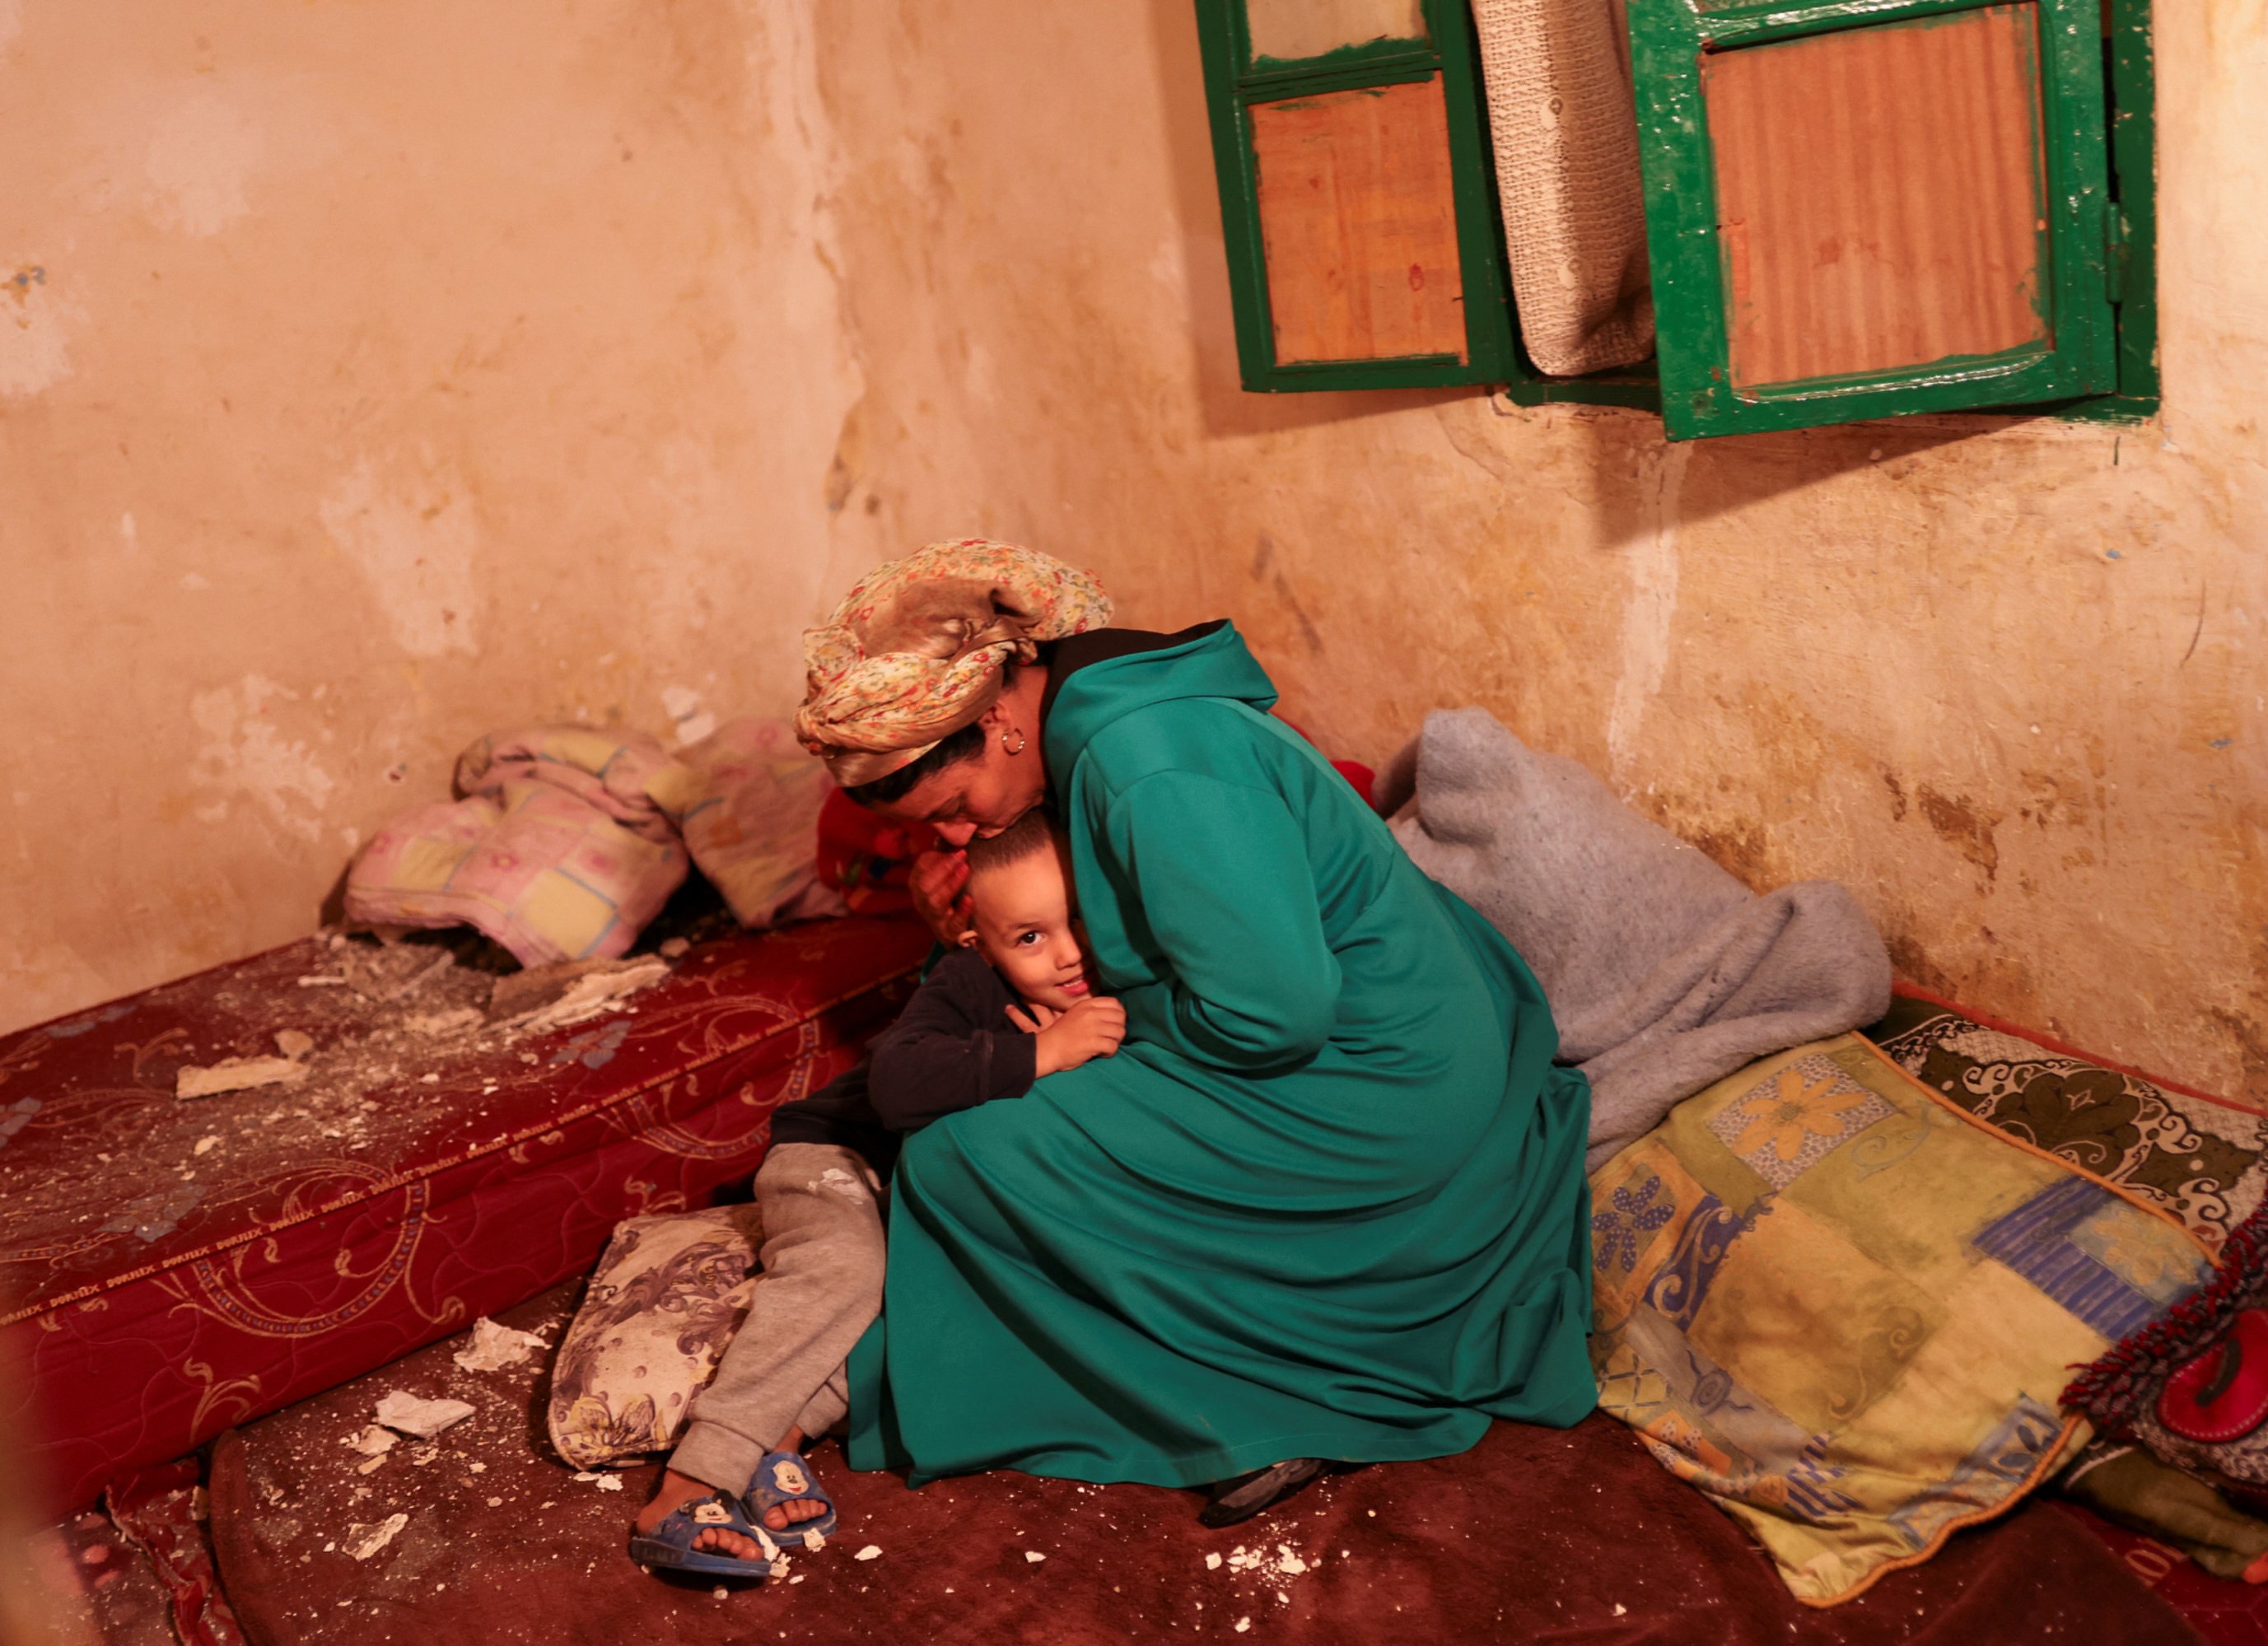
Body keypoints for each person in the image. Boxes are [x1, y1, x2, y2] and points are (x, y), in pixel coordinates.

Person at [797, 539, 1598, 1530]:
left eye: (954, 810)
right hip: (1373, 1025)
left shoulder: (1147, 763)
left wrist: (1107, 1025)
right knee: (985, 1092)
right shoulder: (1107, 716)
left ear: (1000, 718)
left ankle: (1282, 1397)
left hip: (1376, 1078)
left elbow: (1275, 1014)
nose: (958, 841)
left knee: (962, 1157)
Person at [628, 810, 1125, 1578]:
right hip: (835, 1159)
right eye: (1029, 936)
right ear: (979, 943)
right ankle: (691, 1482)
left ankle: (783, 1439)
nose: (1069, 955)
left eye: (1081, 921)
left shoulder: (1112, 991)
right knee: (850, 1268)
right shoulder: (971, 985)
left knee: (929, 1301)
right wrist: (1040, 1051)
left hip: (923, 1199)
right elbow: (896, 1084)